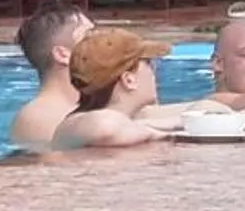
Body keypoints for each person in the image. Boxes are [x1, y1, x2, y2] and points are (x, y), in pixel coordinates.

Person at [50, 29, 185, 150]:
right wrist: (161, 135)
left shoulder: (124, 121)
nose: (154, 72)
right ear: (129, 80)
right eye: (149, 64)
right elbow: (105, 126)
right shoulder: (76, 125)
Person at [10, 4, 95, 147]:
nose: (104, 43)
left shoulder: (92, 105)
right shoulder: (40, 118)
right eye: (89, 37)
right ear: (63, 54)